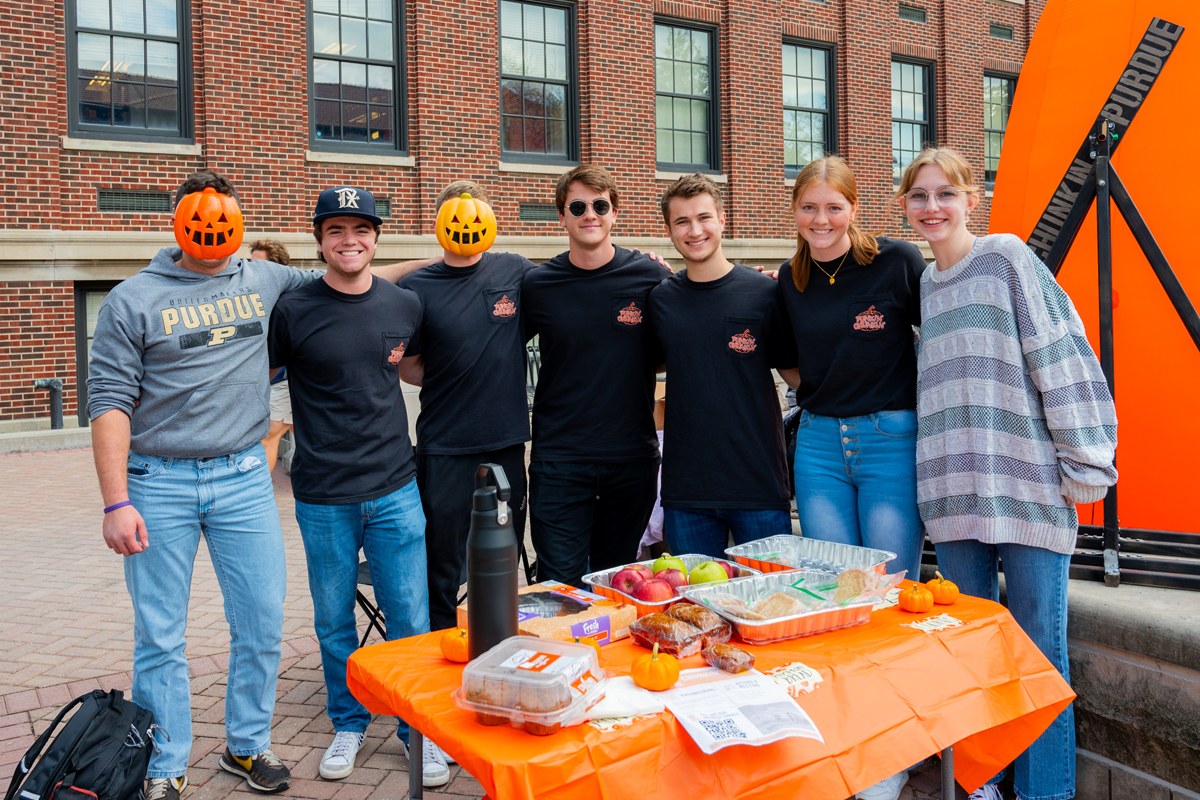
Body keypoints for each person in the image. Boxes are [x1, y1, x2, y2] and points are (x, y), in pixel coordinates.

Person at [87, 171, 322, 799]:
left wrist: (454, 254)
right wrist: (116, 502)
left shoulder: (263, 277)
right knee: (160, 633)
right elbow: (108, 402)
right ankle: (164, 765)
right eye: (202, 223)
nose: (214, 236)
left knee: (262, 620)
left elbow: (348, 275)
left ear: (241, 224)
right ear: (178, 222)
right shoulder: (132, 298)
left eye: (226, 223)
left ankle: (247, 747)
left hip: (244, 477)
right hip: (157, 481)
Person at [898, 147, 1117, 800]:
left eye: (945, 193)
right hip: (954, 498)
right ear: (905, 206)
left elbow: (1062, 350)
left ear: (971, 198)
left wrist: (1086, 461)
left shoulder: (1007, 258)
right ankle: (985, 784)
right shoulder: (927, 288)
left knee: (1039, 654)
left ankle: (1044, 793)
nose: (932, 207)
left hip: (1027, 491)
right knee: (971, 655)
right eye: (918, 196)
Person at [267, 186, 452, 787]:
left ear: (376, 237)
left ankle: (414, 731)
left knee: (410, 618)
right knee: (332, 619)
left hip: (397, 488)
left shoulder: (404, 305)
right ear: (319, 239)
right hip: (322, 494)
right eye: (336, 230)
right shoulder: (293, 309)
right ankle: (348, 722)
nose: (350, 241)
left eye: (361, 229)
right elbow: (259, 380)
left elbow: (419, 368)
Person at [777, 156, 927, 581]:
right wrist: (831, 388)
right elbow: (786, 358)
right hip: (818, 447)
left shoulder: (896, 261)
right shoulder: (791, 278)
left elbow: (939, 333)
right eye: (808, 207)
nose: (820, 220)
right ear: (794, 210)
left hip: (891, 441)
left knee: (890, 585)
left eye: (834, 208)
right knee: (833, 583)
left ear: (853, 209)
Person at [394, 180, 534, 632]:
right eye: (456, 217)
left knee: (504, 556)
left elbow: (573, 280)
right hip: (446, 446)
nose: (467, 225)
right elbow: (408, 366)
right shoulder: (417, 286)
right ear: (440, 223)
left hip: (507, 442)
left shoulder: (514, 270)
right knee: (443, 564)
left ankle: (498, 642)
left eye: (477, 215)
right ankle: (440, 649)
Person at [521, 164, 669, 586]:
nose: (591, 214)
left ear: (614, 212)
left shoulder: (650, 276)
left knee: (617, 581)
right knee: (558, 583)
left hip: (631, 460)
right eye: (579, 206)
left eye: (600, 205)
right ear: (562, 216)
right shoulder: (538, 284)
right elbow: (495, 345)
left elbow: (684, 333)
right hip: (560, 461)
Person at [647, 173, 799, 558]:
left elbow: (797, 376)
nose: (694, 230)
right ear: (668, 230)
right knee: (697, 613)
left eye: (704, 218)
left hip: (759, 486)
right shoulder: (661, 300)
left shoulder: (764, 293)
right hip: (687, 494)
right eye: (682, 221)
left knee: (769, 606)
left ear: (722, 220)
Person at [249, 239, 295, 475]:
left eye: (258, 264)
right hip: (275, 382)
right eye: (250, 262)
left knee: (269, 437)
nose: (250, 268)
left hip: (283, 380)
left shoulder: (284, 299)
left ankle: (264, 494)